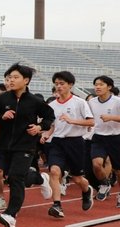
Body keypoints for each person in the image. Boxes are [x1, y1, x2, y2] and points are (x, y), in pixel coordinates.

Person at [0, 64, 54, 227]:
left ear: (26, 80)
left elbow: (49, 117)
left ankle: (11, 214)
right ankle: (40, 178)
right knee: (5, 174)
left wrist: (39, 127)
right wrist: (1, 116)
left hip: (25, 146)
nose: (11, 81)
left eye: (15, 77)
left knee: (16, 178)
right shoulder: (1, 99)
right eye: (9, 78)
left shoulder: (35, 101)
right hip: (2, 146)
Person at [39, 71, 95, 219]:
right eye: (56, 84)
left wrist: (72, 121)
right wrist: (47, 134)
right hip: (57, 142)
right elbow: (53, 125)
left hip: (75, 142)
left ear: (70, 85)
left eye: (62, 83)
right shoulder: (51, 105)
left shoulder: (80, 102)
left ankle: (86, 190)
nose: (59, 86)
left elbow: (91, 122)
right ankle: (57, 205)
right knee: (54, 172)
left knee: (77, 178)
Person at [88, 76, 120, 201]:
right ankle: (105, 184)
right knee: (96, 165)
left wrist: (111, 117)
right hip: (99, 137)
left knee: (118, 170)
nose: (97, 87)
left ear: (109, 87)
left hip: (115, 137)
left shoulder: (117, 101)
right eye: (96, 84)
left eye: (101, 84)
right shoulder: (92, 102)